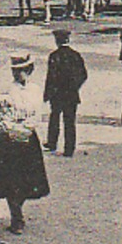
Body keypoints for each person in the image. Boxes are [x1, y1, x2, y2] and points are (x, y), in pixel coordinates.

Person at [0, 54, 50, 233]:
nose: (17, 74)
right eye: (15, 71)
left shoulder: (35, 89)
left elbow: (38, 114)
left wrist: (28, 127)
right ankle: (16, 217)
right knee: (10, 181)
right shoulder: (5, 90)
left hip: (28, 136)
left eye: (21, 71)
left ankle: (18, 209)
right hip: (9, 139)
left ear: (29, 71)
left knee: (27, 180)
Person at [43, 27, 87, 157]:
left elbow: (50, 77)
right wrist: (75, 87)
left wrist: (47, 93)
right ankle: (69, 149)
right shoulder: (75, 55)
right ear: (68, 40)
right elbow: (83, 75)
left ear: (57, 41)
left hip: (57, 94)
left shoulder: (54, 56)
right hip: (71, 94)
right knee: (70, 121)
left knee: (54, 118)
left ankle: (52, 143)